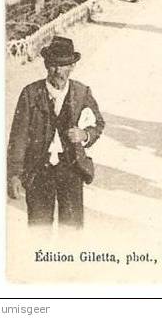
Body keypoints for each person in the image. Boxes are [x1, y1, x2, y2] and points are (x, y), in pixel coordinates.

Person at [7, 36, 105, 229]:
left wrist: (84, 135)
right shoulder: (30, 93)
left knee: (72, 227)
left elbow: (98, 124)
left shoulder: (81, 92)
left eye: (63, 65)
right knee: (38, 226)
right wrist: (14, 175)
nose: (58, 71)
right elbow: (18, 137)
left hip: (72, 168)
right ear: (46, 65)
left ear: (72, 66)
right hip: (38, 170)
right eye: (53, 65)